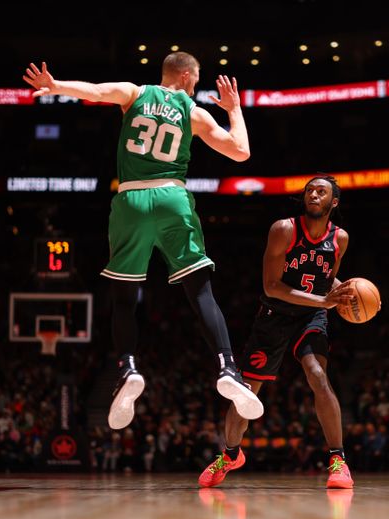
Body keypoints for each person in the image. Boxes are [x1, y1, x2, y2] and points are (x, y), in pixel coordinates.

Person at [22, 52, 263, 430]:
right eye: (196, 81)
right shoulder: (193, 112)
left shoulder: (134, 93)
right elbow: (241, 151)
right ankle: (227, 369)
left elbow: (97, 92)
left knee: (124, 297)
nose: (196, 87)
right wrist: (234, 109)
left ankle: (128, 368)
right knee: (200, 292)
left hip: (131, 200)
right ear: (185, 76)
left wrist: (56, 87)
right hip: (172, 198)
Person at [198, 175, 365, 489]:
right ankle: (230, 454)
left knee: (317, 374)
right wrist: (324, 299)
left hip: (312, 315)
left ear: (334, 202)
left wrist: (349, 292)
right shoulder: (284, 229)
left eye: (321, 191)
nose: (313, 194)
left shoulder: (339, 238)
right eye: (310, 190)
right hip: (274, 315)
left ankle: (338, 460)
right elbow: (271, 286)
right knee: (246, 392)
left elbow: (328, 277)